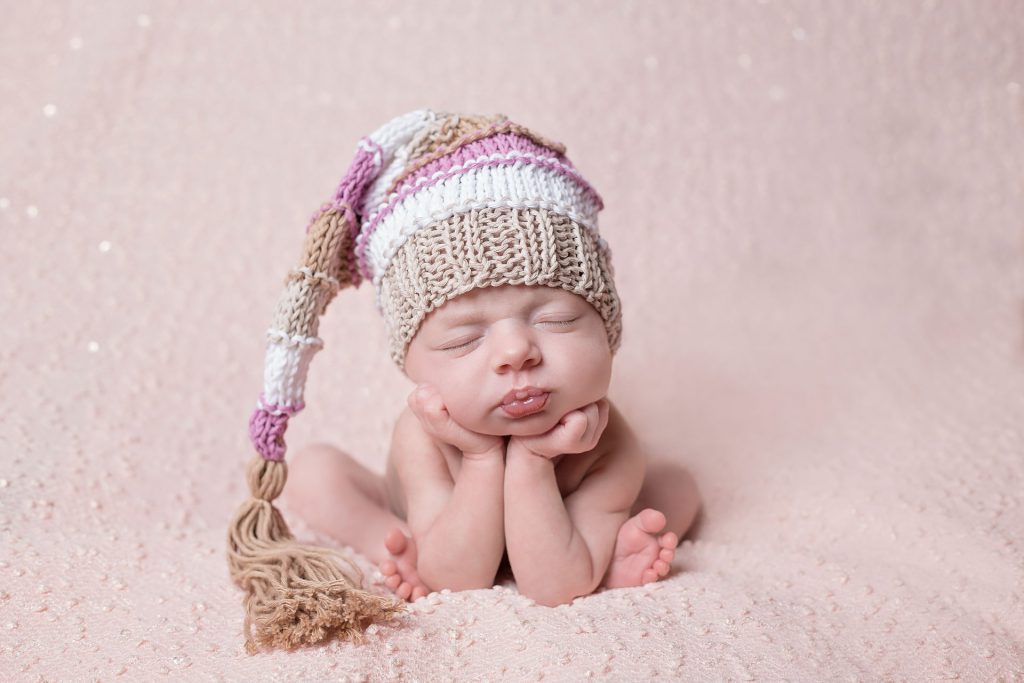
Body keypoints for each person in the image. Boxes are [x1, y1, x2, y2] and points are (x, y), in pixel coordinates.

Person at [230, 109, 700, 650]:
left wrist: (531, 461)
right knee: (314, 472)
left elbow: (552, 587)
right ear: (414, 366)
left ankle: (600, 552)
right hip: (442, 538)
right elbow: (461, 579)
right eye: (463, 340)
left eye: (556, 319)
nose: (516, 352)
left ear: (607, 327)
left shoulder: (604, 441)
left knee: (677, 484)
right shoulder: (423, 434)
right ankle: (392, 543)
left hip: (563, 540)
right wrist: (479, 459)